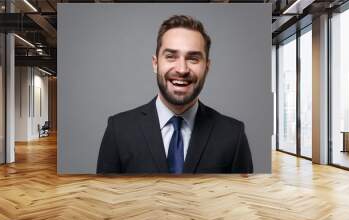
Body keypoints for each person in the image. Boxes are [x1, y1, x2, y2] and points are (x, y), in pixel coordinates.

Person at [97, 15, 253, 174]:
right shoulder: (119, 129)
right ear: (155, 63)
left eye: (193, 59)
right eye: (171, 57)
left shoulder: (233, 135)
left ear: (207, 67)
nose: (182, 69)